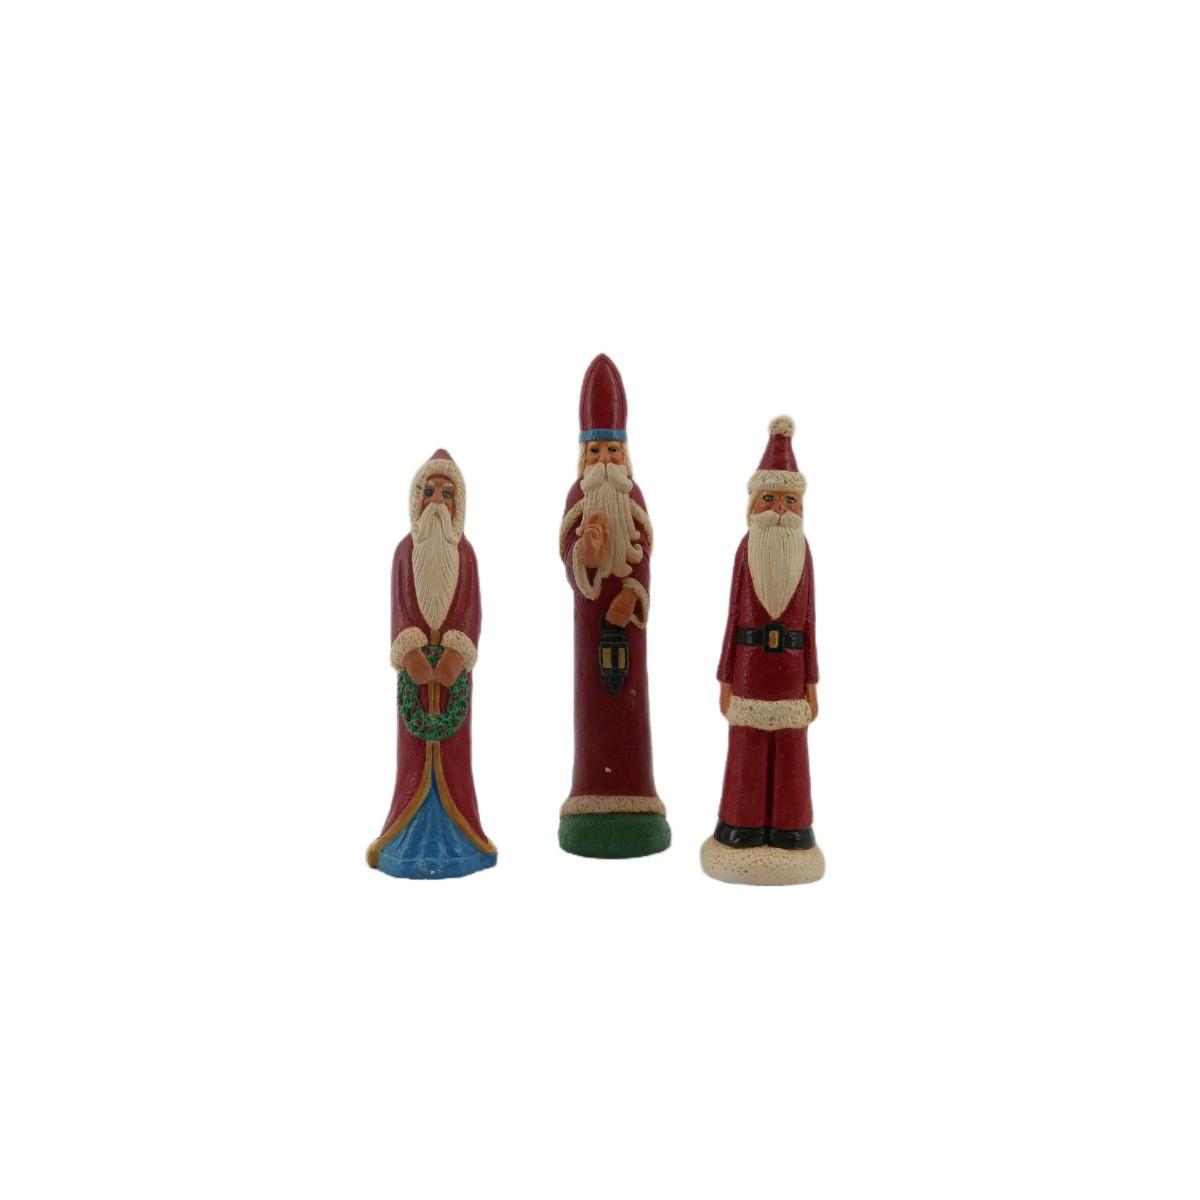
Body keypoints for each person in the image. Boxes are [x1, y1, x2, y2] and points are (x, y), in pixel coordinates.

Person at [701, 416, 825, 885]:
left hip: (790, 672)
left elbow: (810, 623)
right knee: (747, 749)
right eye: (770, 499)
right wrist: (726, 677)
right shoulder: (746, 550)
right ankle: (741, 826)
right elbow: (732, 617)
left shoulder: (803, 552)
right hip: (750, 669)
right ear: (754, 504)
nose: (779, 509)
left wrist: (811, 681)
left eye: (789, 500)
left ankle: (792, 830)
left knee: (792, 752)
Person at [557, 354, 669, 857]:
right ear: (585, 456)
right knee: (594, 706)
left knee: (629, 707)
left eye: (613, 450)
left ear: (624, 454)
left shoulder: (633, 496)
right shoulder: (578, 497)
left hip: (629, 624)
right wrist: (587, 554)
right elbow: (567, 554)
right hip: (589, 622)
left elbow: (645, 552)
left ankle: (637, 795)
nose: (605, 458)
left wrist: (632, 594)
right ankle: (589, 792)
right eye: (597, 450)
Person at [366, 449, 497, 879]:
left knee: (455, 752)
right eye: (429, 493)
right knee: (414, 751)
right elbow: (399, 609)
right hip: (417, 673)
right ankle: (409, 832)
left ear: (458, 503)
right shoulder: (404, 553)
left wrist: (458, 652)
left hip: (454, 673)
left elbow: (472, 610)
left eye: (446, 493)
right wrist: (410, 652)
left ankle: (461, 834)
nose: (437, 502)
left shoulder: (467, 555)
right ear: (415, 499)